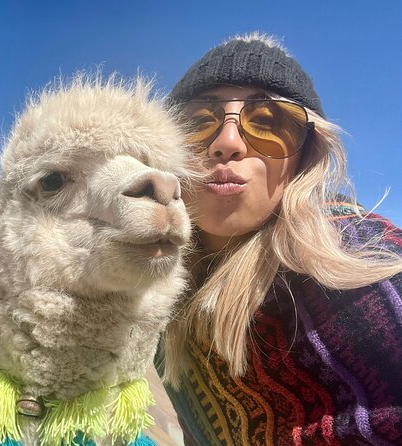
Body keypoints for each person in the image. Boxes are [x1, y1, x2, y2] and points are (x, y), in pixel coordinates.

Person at [156, 32, 402, 445]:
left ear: (303, 155)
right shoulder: (151, 296)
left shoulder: (359, 264)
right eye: (197, 123)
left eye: (268, 123)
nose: (227, 143)